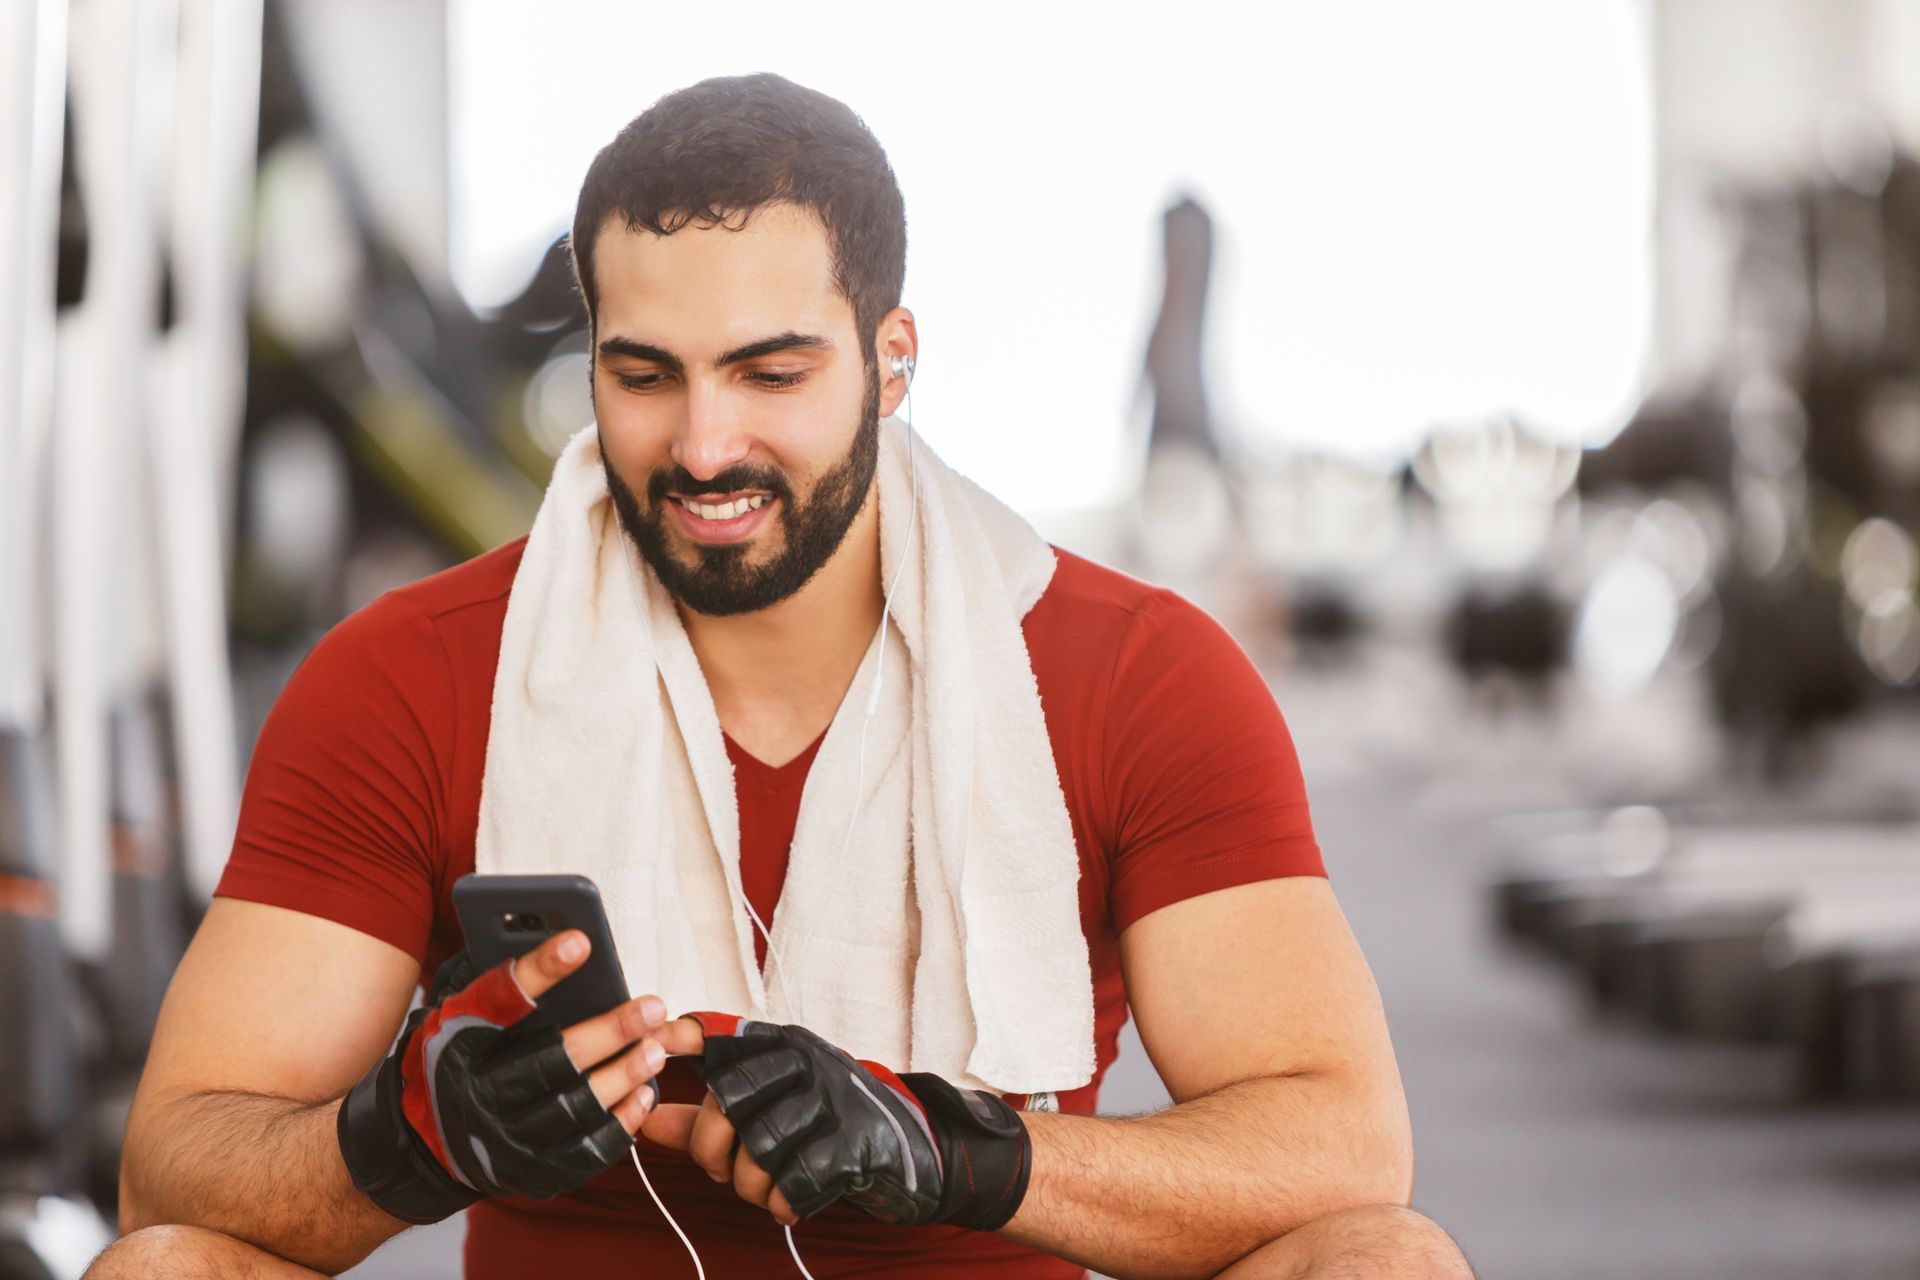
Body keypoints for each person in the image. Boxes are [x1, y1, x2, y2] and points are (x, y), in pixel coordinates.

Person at [90, 74, 1474, 1280]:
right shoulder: (412, 677)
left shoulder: (1133, 673)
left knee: (1385, 1263)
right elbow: (175, 1170)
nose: (702, 446)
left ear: (893, 358)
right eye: (644, 376)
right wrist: (404, 1138)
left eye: (769, 372)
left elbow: (1343, 1151)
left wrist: (964, 1153)